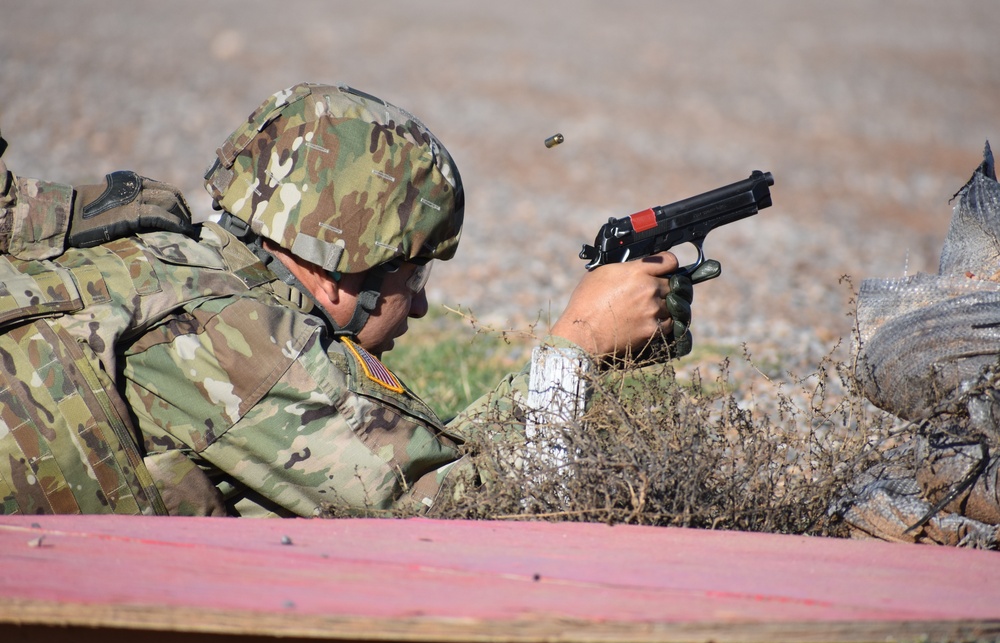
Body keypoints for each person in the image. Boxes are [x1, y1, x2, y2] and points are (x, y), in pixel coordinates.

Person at [0, 83, 718, 518]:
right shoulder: (253, 353)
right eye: (417, 277)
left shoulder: (136, 236)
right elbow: (471, 514)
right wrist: (579, 348)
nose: (424, 309)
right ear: (341, 272)